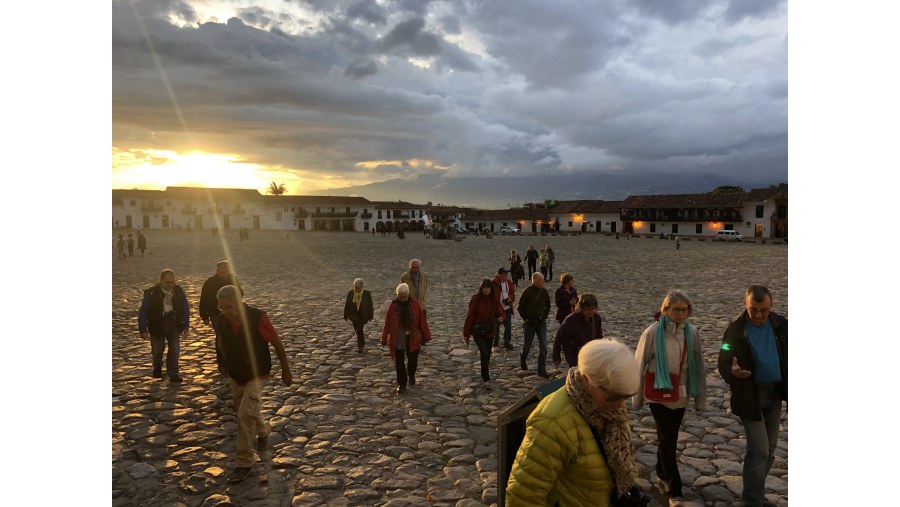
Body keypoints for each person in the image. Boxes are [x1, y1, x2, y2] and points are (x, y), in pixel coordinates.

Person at [506, 339, 646, 507]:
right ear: (587, 379)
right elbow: (524, 495)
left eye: (625, 396)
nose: (620, 405)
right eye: (614, 397)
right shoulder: (552, 422)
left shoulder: (609, 410)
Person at [633, 290, 707, 506]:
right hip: (658, 394)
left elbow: (699, 366)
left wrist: (700, 400)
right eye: (676, 309)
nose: (681, 313)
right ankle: (675, 489)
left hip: (681, 393)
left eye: (684, 309)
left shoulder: (691, 333)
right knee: (669, 439)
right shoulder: (652, 332)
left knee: (667, 437)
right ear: (665, 309)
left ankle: (660, 472)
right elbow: (639, 365)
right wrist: (636, 399)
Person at [213, 285, 292, 483]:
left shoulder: (258, 317)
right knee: (245, 410)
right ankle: (263, 430)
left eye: (229, 306)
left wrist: (286, 370)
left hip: (258, 372)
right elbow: (221, 342)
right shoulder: (222, 320)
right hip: (236, 372)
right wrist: (223, 364)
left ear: (239, 301)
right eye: (222, 307)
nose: (226, 311)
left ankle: (244, 462)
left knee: (244, 415)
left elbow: (276, 342)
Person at [717, 285, 787, 507]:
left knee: (770, 449)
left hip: (775, 395)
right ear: (745, 305)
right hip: (750, 396)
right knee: (759, 450)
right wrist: (732, 372)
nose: (758, 315)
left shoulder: (781, 325)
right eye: (753, 309)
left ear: (771, 306)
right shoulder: (735, 331)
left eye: (763, 310)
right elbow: (724, 360)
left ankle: (756, 492)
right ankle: (752, 501)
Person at [138, 269, 190, 381]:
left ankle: (173, 373)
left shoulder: (178, 291)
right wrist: (142, 329)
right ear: (161, 280)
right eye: (168, 282)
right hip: (157, 325)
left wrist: (186, 325)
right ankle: (157, 367)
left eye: (173, 282)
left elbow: (185, 307)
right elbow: (144, 311)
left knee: (175, 350)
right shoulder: (151, 293)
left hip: (174, 324)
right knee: (157, 351)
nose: (171, 285)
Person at [380, 283, 432, 394]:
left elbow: (421, 321)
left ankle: (411, 374)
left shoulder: (414, 305)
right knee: (399, 362)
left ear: (408, 295)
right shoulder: (393, 306)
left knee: (412, 360)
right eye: (400, 296)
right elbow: (387, 323)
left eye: (404, 296)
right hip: (398, 338)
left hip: (413, 337)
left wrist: (426, 335)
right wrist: (384, 338)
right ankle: (402, 383)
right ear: (397, 295)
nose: (403, 299)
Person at [463, 279, 504, 383]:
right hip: (478, 331)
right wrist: (466, 334)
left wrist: (501, 317)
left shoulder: (493, 300)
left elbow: (499, 311)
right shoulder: (476, 299)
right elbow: (470, 316)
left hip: (489, 330)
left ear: (491, 289)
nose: (486, 289)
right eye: (484, 287)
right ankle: (485, 375)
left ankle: (484, 371)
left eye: (488, 287)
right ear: (481, 289)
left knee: (487, 354)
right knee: (484, 353)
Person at [552, 293, 603, 369]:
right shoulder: (571, 320)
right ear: (581, 308)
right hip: (574, 356)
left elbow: (599, 336)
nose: (590, 311)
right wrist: (556, 356)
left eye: (593, 308)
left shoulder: (596, 318)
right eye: (587, 309)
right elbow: (559, 338)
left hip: (590, 354)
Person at [517, 272, 551, 378]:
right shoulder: (527, 292)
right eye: (541, 280)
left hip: (541, 323)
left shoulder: (544, 292)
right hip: (530, 323)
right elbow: (520, 307)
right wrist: (525, 318)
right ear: (535, 280)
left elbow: (548, 305)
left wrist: (544, 316)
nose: (543, 281)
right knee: (527, 346)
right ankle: (523, 359)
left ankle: (541, 369)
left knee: (544, 346)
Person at [199, 261, 243, 326]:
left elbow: (240, 293)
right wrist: (204, 316)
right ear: (217, 271)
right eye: (223, 272)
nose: (225, 274)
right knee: (220, 333)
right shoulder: (210, 282)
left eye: (227, 272)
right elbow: (203, 300)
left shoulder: (233, 279)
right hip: (216, 313)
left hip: (232, 312)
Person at [343, 278, 374, 353]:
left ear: (362, 286)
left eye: (358, 288)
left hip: (362, 315)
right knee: (357, 330)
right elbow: (347, 304)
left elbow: (370, 305)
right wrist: (346, 315)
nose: (356, 289)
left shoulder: (366, 294)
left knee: (359, 329)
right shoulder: (351, 293)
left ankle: (361, 346)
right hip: (353, 315)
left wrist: (370, 315)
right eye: (355, 287)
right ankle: (361, 342)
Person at [492, 267, 516, 349]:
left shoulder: (509, 282)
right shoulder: (494, 283)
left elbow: (513, 294)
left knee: (508, 326)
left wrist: (510, 298)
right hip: (497, 309)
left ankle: (507, 342)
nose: (507, 275)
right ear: (500, 275)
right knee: (496, 326)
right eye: (505, 274)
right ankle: (496, 341)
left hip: (507, 308)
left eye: (507, 274)